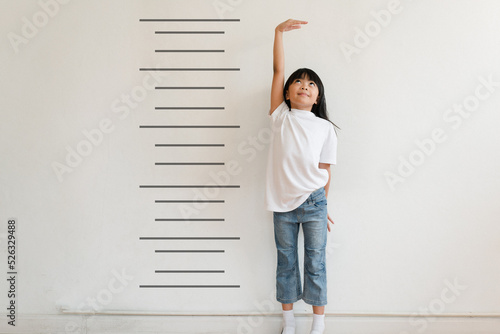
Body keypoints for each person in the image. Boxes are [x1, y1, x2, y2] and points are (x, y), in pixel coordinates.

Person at [265, 19, 339, 334]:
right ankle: (288, 322)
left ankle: (318, 324)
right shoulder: (280, 116)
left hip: (313, 203)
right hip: (282, 205)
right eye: (298, 82)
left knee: (316, 263)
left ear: (317, 97)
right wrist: (278, 33)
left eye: (310, 84)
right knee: (286, 263)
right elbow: (277, 71)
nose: (303, 86)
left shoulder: (325, 128)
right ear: (287, 93)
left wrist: (323, 206)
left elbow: (325, 172)